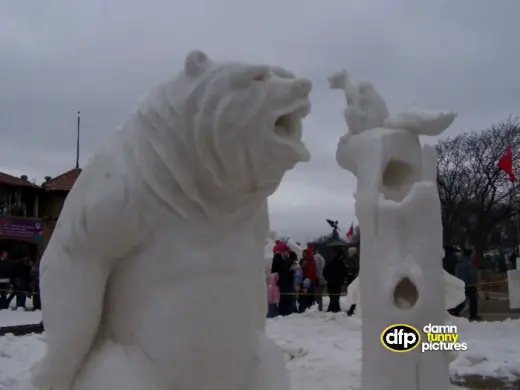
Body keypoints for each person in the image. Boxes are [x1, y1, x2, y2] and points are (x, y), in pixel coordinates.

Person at [450, 248, 481, 321]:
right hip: (469, 285)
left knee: (461, 300)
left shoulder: (458, 263)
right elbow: (472, 275)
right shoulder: (470, 264)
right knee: (473, 300)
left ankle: (455, 312)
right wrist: (474, 282)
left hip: (460, 284)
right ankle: (473, 315)